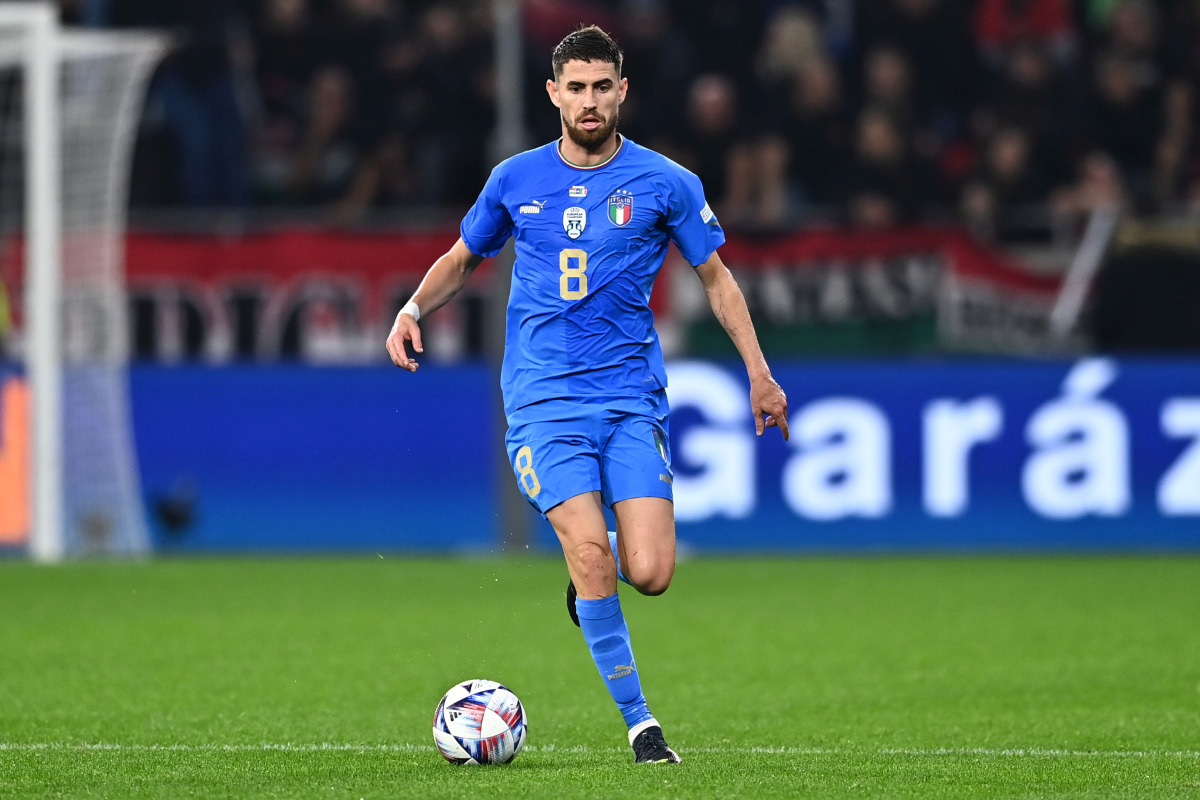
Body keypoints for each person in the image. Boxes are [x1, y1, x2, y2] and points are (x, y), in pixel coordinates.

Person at [385, 25, 789, 764]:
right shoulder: (515, 179)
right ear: (554, 94)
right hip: (543, 401)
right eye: (576, 88)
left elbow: (717, 279)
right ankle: (642, 726)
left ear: (622, 91)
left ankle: (586, 584)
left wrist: (759, 373)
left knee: (651, 573)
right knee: (592, 553)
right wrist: (412, 309)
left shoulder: (667, 182)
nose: (590, 100)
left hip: (631, 398)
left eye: (603, 86)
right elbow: (462, 258)